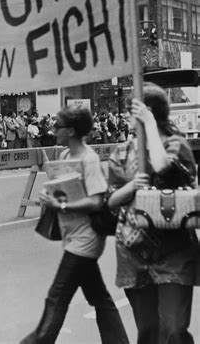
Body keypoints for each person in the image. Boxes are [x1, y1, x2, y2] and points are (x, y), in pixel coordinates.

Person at [21, 105, 129, 344]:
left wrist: (61, 206)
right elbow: (62, 192)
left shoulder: (89, 159)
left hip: (86, 239)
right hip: (70, 235)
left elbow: (96, 201)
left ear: (70, 131)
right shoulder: (64, 156)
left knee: (56, 296)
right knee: (100, 298)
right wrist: (49, 197)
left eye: (58, 126)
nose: (53, 130)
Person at [107, 83, 198, 344]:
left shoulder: (176, 144)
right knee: (148, 332)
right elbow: (110, 200)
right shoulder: (122, 152)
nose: (125, 116)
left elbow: (163, 167)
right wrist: (132, 186)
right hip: (134, 250)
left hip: (174, 250)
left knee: (174, 329)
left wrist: (149, 125)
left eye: (130, 111)